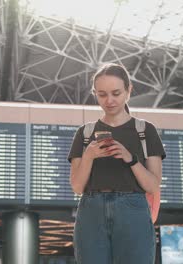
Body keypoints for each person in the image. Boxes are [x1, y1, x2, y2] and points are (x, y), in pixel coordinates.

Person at [68, 63, 166, 264]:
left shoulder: (145, 131)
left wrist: (130, 158)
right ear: (95, 93)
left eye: (116, 93)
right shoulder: (85, 133)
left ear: (129, 90)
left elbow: (152, 185)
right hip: (91, 208)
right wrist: (88, 156)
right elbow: (78, 187)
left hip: (133, 208)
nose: (109, 100)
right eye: (102, 94)